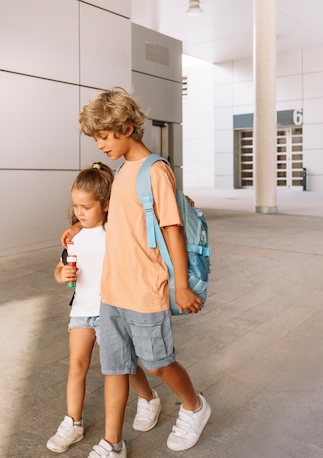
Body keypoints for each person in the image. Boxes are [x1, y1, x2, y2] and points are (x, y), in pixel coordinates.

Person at [63, 88, 211, 457]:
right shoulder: (122, 171)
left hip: (146, 289)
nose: (99, 145)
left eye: (103, 136)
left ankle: (194, 406)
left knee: (159, 363)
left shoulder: (154, 171)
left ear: (127, 128)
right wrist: (78, 228)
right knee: (115, 367)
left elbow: (172, 229)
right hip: (111, 291)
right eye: (96, 137)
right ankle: (113, 444)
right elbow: (115, 218)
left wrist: (180, 285)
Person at [47, 162, 161, 454]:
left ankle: (148, 398)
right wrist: (63, 275)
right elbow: (60, 269)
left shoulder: (115, 232)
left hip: (112, 310)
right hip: (81, 311)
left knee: (125, 365)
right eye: (75, 207)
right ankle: (73, 422)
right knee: (77, 366)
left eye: (86, 207)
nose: (79, 213)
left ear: (106, 205)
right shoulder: (74, 238)